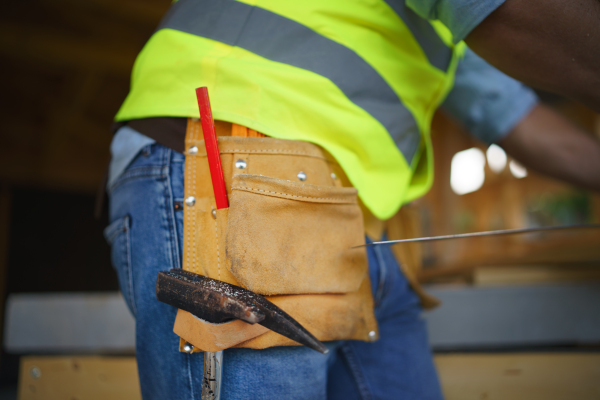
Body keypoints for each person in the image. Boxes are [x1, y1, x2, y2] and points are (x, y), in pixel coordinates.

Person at [103, 1, 600, 399]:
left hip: (368, 235)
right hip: (246, 171)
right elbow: (520, 14)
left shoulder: (442, 37)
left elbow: (512, 113)